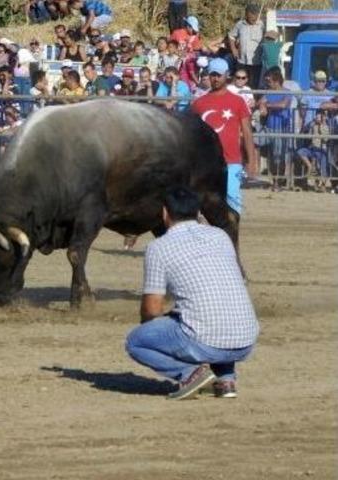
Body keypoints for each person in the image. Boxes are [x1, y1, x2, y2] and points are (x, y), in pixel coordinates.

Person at [125, 186, 258, 400]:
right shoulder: (220, 236)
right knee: (215, 308)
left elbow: (151, 309)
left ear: (165, 213)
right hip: (246, 339)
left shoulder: (159, 247)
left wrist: (155, 325)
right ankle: (226, 380)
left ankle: (190, 374)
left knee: (136, 341)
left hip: (207, 341)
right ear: (198, 213)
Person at [191, 57, 257, 215]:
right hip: (206, 162)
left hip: (231, 160)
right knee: (204, 200)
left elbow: (247, 133)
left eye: (219, 75)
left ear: (227, 75)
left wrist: (251, 160)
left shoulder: (238, 101)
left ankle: (232, 232)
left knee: (232, 198)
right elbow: (192, 133)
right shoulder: (199, 103)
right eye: (212, 75)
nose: (215, 78)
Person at [228, 3, 264, 88]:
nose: (254, 17)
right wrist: (233, 49)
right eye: (251, 14)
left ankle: (252, 100)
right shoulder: (240, 25)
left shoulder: (262, 25)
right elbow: (231, 36)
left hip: (256, 62)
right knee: (239, 84)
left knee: (253, 85)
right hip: (242, 61)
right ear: (246, 14)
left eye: (256, 14)